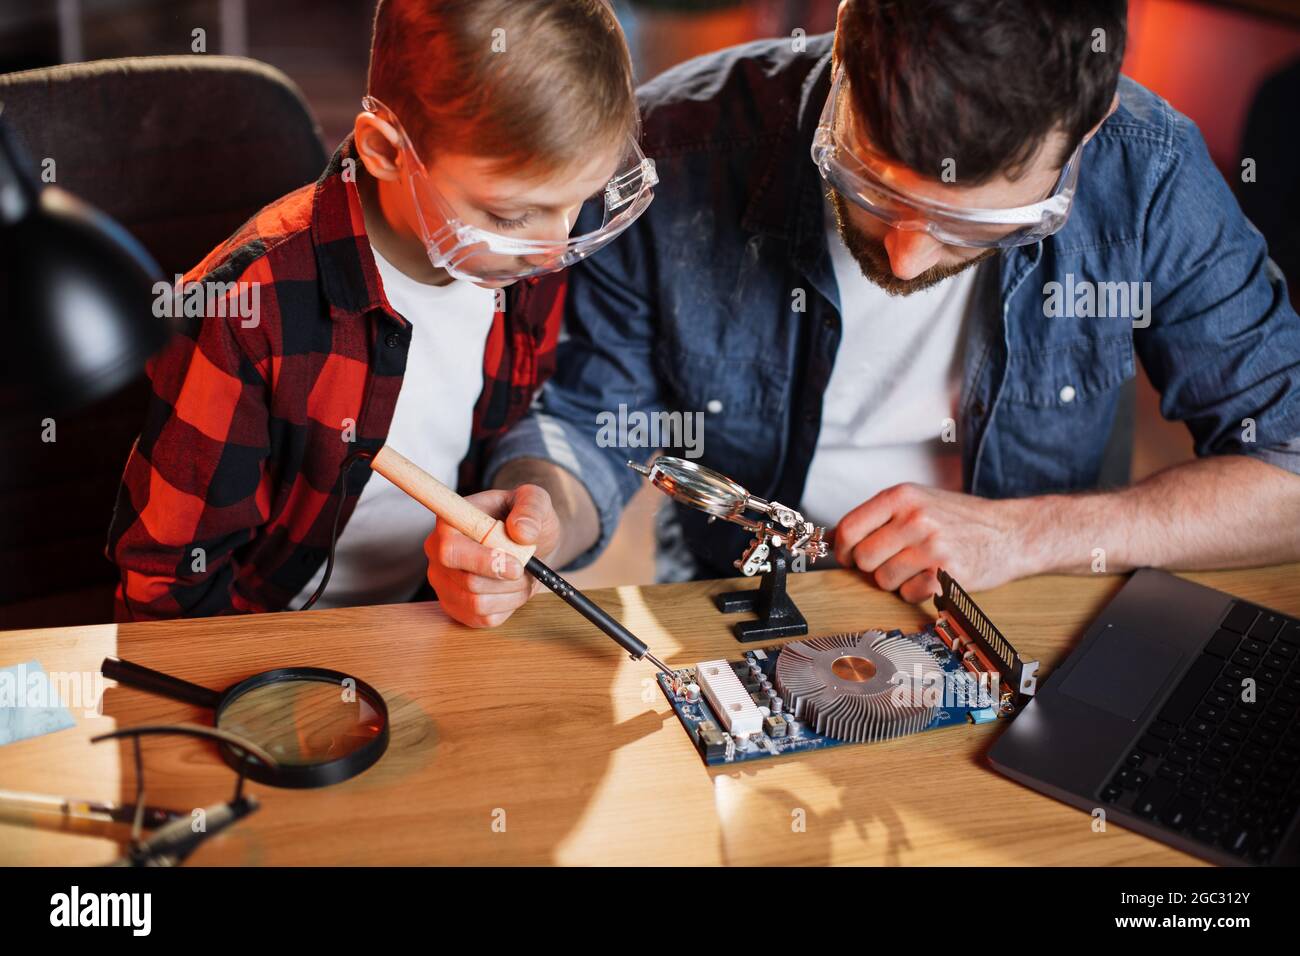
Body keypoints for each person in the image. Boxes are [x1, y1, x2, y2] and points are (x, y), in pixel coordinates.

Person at [429, 0, 1300, 626]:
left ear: (1090, 123)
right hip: (736, 604)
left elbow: (1289, 471)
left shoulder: (1147, 170)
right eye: (873, 187)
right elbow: (596, 424)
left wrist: (1030, 534)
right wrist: (537, 512)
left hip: (1030, 606)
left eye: (973, 223)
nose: (906, 257)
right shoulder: (681, 145)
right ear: (840, 50)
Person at [109, 0, 651, 619]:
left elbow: (536, 418)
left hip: (437, 615)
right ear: (388, 152)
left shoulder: (521, 261)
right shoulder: (246, 306)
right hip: (272, 642)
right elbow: (167, 584)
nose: (554, 248)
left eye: (577, 204)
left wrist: (527, 516)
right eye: (508, 216)